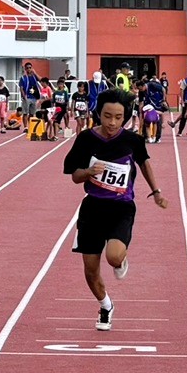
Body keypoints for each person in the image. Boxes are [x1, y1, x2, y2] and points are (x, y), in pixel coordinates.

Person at [63, 88, 168, 331]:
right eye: (107, 115)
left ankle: (121, 260)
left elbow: (144, 163)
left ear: (126, 117)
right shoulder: (86, 139)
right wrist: (88, 172)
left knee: (114, 257)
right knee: (90, 271)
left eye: (118, 117)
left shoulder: (132, 141)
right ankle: (106, 305)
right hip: (92, 209)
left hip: (121, 208)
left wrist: (156, 191)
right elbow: (74, 176)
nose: (112, 122)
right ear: (98, 113)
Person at [19, 62, 41, 129]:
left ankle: (30, 125)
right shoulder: (23, 78)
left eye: (30, 68)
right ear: (25, 69)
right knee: (25, 113)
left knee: (32, 113)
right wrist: (24, 96)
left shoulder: (34, 77)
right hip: (27, 97)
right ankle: (25, 127)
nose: (29, 69)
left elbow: (41, 80)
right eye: (27, 68)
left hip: (34, 97)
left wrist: (35, 73)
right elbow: (21, 88)